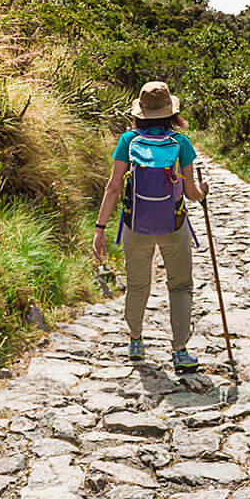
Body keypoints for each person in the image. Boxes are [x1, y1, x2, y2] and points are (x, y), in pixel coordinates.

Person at [92, 80, 209, 371]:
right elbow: (191, 193)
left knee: (137, 284)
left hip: (136, 226)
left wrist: (100, 227)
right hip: (174, 225)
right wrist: (203, 191)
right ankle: (180, 351)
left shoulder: (128, 141)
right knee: (180, 286)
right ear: (171, 112)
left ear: (141, 113)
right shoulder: (181, 143)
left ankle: (135, 342)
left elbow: (113, 187)